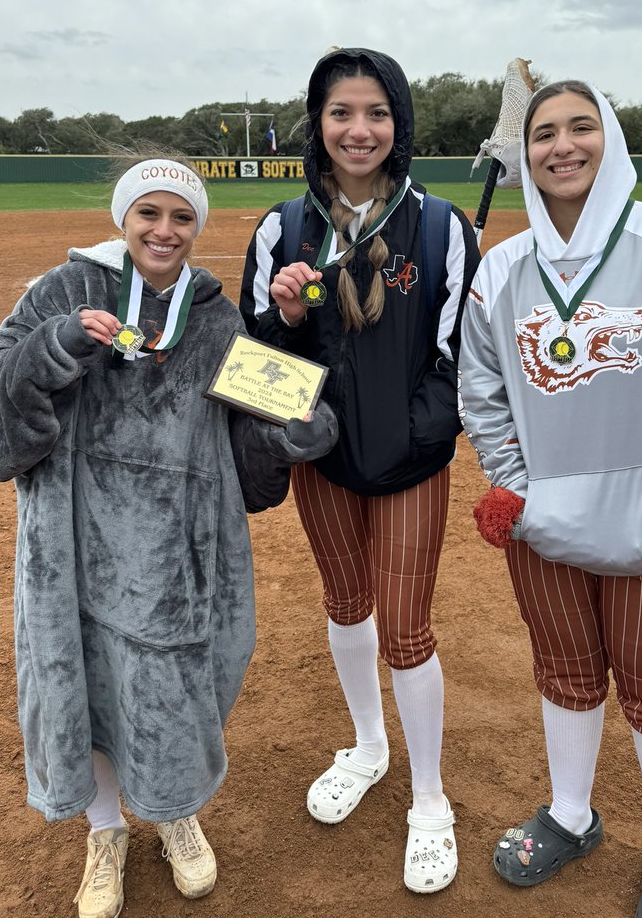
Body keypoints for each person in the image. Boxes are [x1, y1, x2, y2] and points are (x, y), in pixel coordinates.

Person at [0, 156, 337, 918]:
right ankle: (105, 832)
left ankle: (172, 811)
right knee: (87, 686)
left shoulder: (216, 316)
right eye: (149, 214)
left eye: (181, 217)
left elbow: (242, 434)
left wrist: (291, 433)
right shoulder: (62, 291)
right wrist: (53, 347)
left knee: (169, 692)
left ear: (198, 228)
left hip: (174, 557)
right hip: (73, 547)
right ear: (124, 219)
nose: (165, 230)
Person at [459, 82, 642, 918]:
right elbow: (481, 391)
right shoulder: (503, 268)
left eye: (580, 127)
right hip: (546, 526)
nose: (562, 146)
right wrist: (518, 489)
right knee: (563, 675)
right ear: (525, 152)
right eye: (544, 132)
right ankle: (571, 814)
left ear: (611, 138)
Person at [240, 47, 480, 893]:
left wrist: (418, 435)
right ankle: (371, 747)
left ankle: (429, 798)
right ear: (319, 124)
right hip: (325, 465)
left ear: (399, 124)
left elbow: (465, 361)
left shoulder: (445, 226)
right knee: (346, 607)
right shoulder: (280, 227)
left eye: (376, 112)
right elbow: (255, 365)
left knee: (408, 630)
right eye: (341, 112)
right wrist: (289, 316)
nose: (359, 129)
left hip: (411, 465)